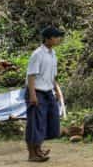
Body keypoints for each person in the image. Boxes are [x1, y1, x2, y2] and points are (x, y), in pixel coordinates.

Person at [25, 26, 65, 163]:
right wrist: (32, 95)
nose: (59, 39)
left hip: (48, 91)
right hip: (36, 91)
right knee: (35, 122)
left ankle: (39, 149)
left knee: (49, 120)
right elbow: (31, 75)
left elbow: (52, 76)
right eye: (56, 36)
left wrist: (57, 91)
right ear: (48, 38)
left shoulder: (52, 54)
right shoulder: (38, 54)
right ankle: (32, 154)